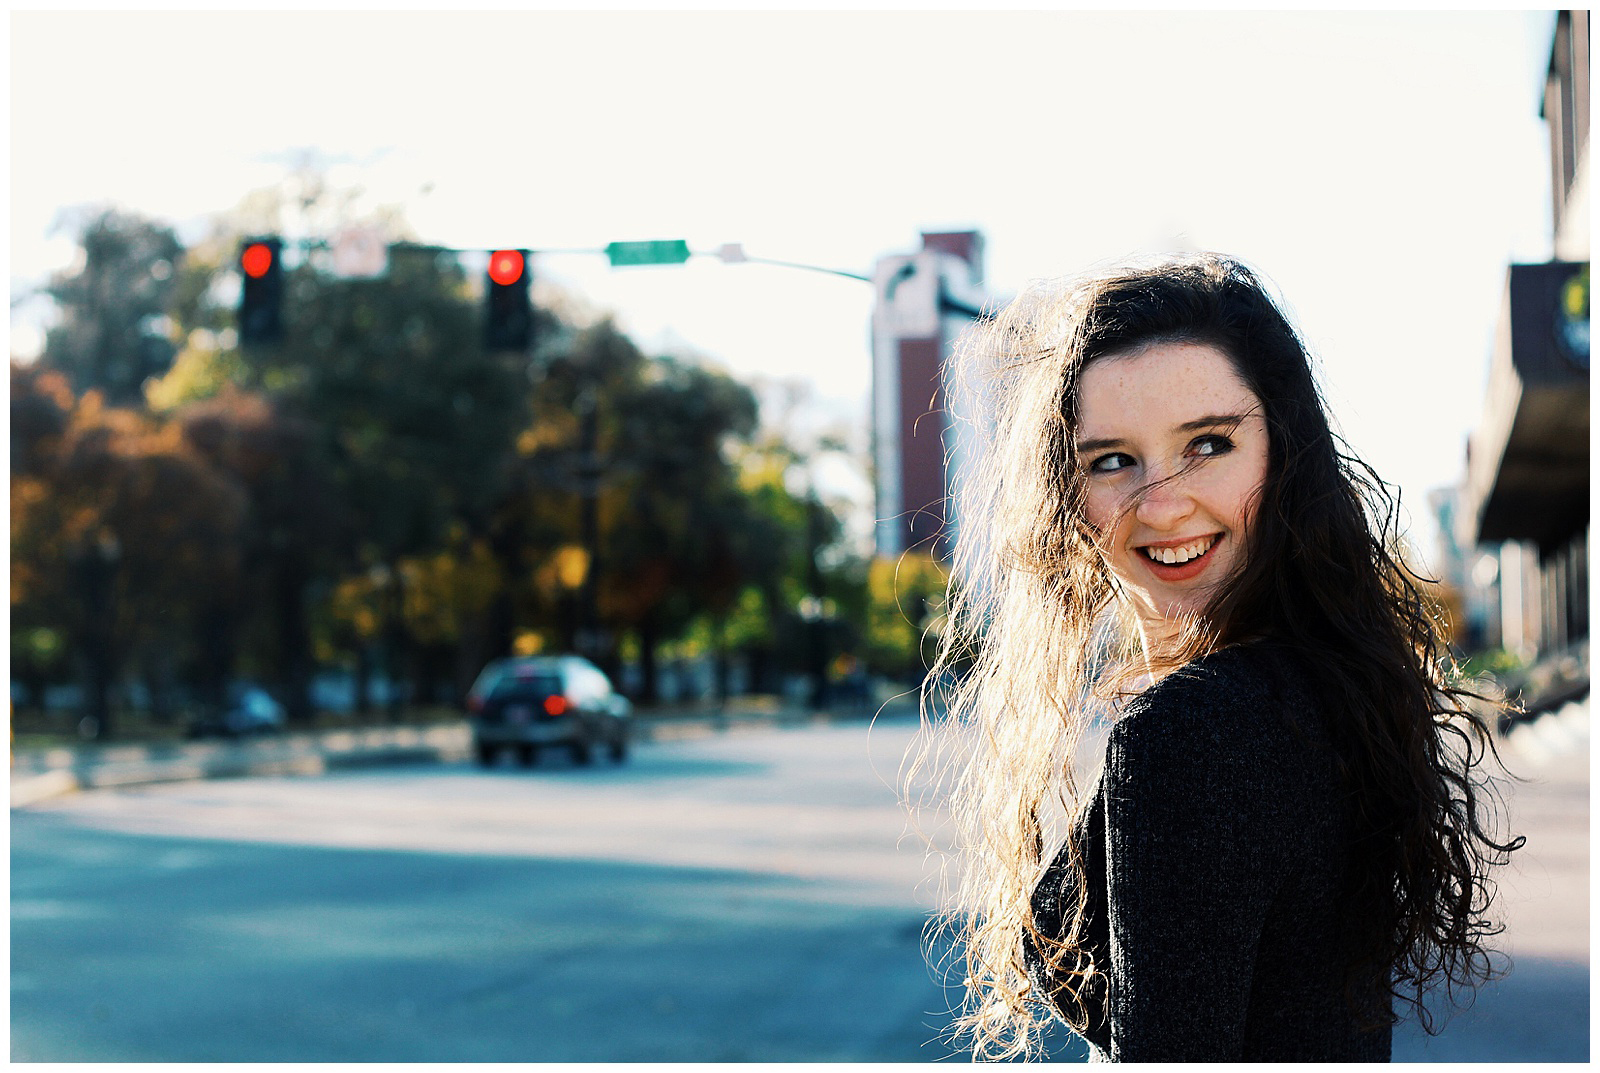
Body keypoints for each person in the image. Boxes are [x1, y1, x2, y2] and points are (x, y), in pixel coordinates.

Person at [918, 253, 1522, 1061]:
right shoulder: (1325, 685)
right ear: (1069, 494)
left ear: (1283, 452)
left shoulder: (1192, 729)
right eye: (1111, 460)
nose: (1161, 503)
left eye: (1206, 444)